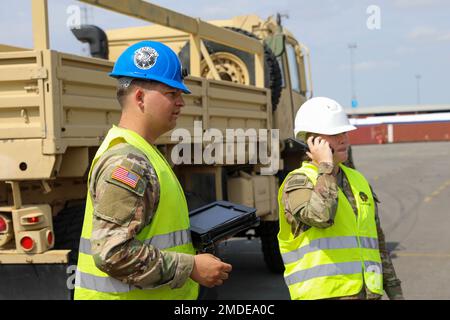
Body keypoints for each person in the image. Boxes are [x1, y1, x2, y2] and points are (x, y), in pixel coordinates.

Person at [74, 41, 232, 300]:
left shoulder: (143, 152)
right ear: (139, 98)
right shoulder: (128, 162)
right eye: (172, 94)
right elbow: (112, 253)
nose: (181, 103)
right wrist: (190, 266)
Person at [277, 97, 403, 300]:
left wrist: (396, 293)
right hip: (325, 295)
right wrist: (325, 166)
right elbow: (320, 217)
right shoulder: (298, 181)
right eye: (335, 134)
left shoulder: (357, 180)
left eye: (344, 132)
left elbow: (377, 243)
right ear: (312, 141)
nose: (344, 139)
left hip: (367, 294)